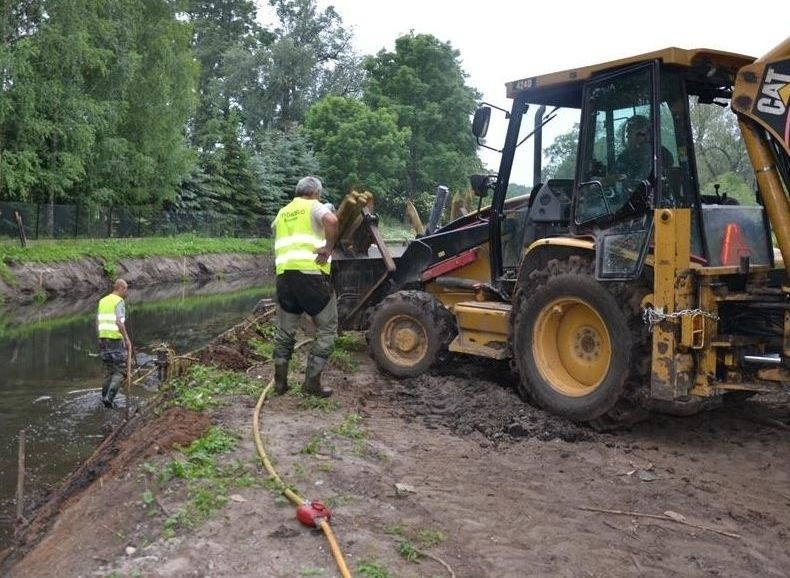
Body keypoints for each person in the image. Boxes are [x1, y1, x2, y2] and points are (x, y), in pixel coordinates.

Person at [272, 176, 339, 398]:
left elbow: (274, 230)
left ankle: (280, 384)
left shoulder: (283, 212)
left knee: (284, 332)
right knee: (327, 328)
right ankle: (311, 384)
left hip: (284, 277)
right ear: (315, 193)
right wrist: (328, 249)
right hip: (310, 275)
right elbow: (331, 221)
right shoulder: (313, 206)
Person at [97, 278, 132, 408]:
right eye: (126, 289)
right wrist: (126, 339)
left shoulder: (103, 301)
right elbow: (118, 322)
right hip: (115, 340)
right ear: (120, 288)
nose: (126, 292)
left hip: (104, 339)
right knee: (120, 371)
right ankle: (109, 398)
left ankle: (103, 398)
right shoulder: (119, 301)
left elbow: (99, 322)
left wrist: (100, 338)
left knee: (108, 371)